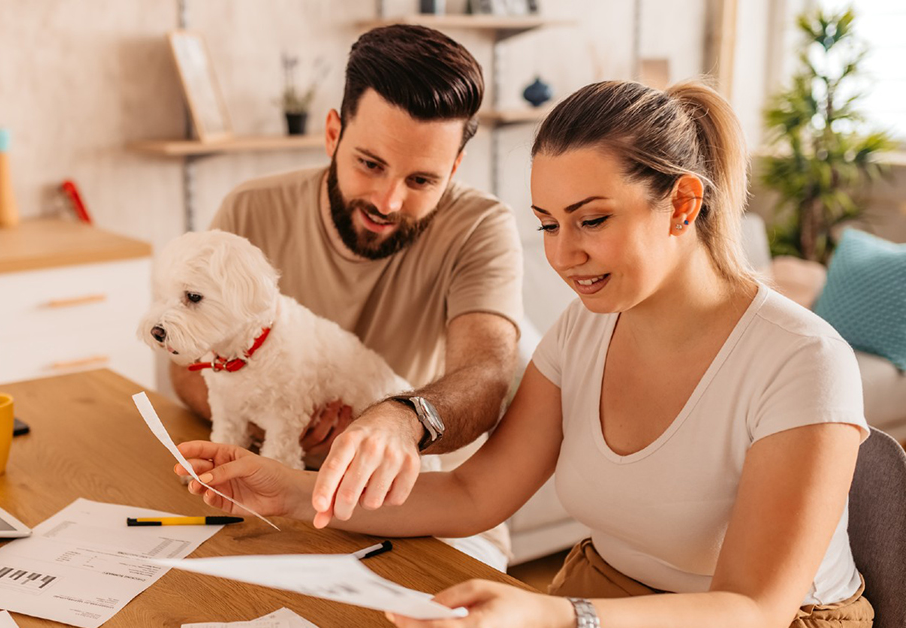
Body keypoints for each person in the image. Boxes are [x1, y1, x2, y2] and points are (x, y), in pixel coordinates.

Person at [172, 79, 875, 628]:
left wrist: (556, 612)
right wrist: (294, 491)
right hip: (605, 597)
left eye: (592, 220)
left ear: (683, 204)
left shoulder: (800, 361)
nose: (566, 255)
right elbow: (475, 492)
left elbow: (753, 608)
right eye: (548, 224)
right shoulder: (583, 330)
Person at [170, 25, 525, 534]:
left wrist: (400, 421)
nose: (389, 202)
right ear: (333, 133)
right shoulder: (250, 209)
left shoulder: (480, 226)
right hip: (261, 486)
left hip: (414, 505)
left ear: (455, 167)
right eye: (370, 163)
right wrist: (273, 418)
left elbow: (487, 376)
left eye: (422, 179)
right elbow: (187, 362)